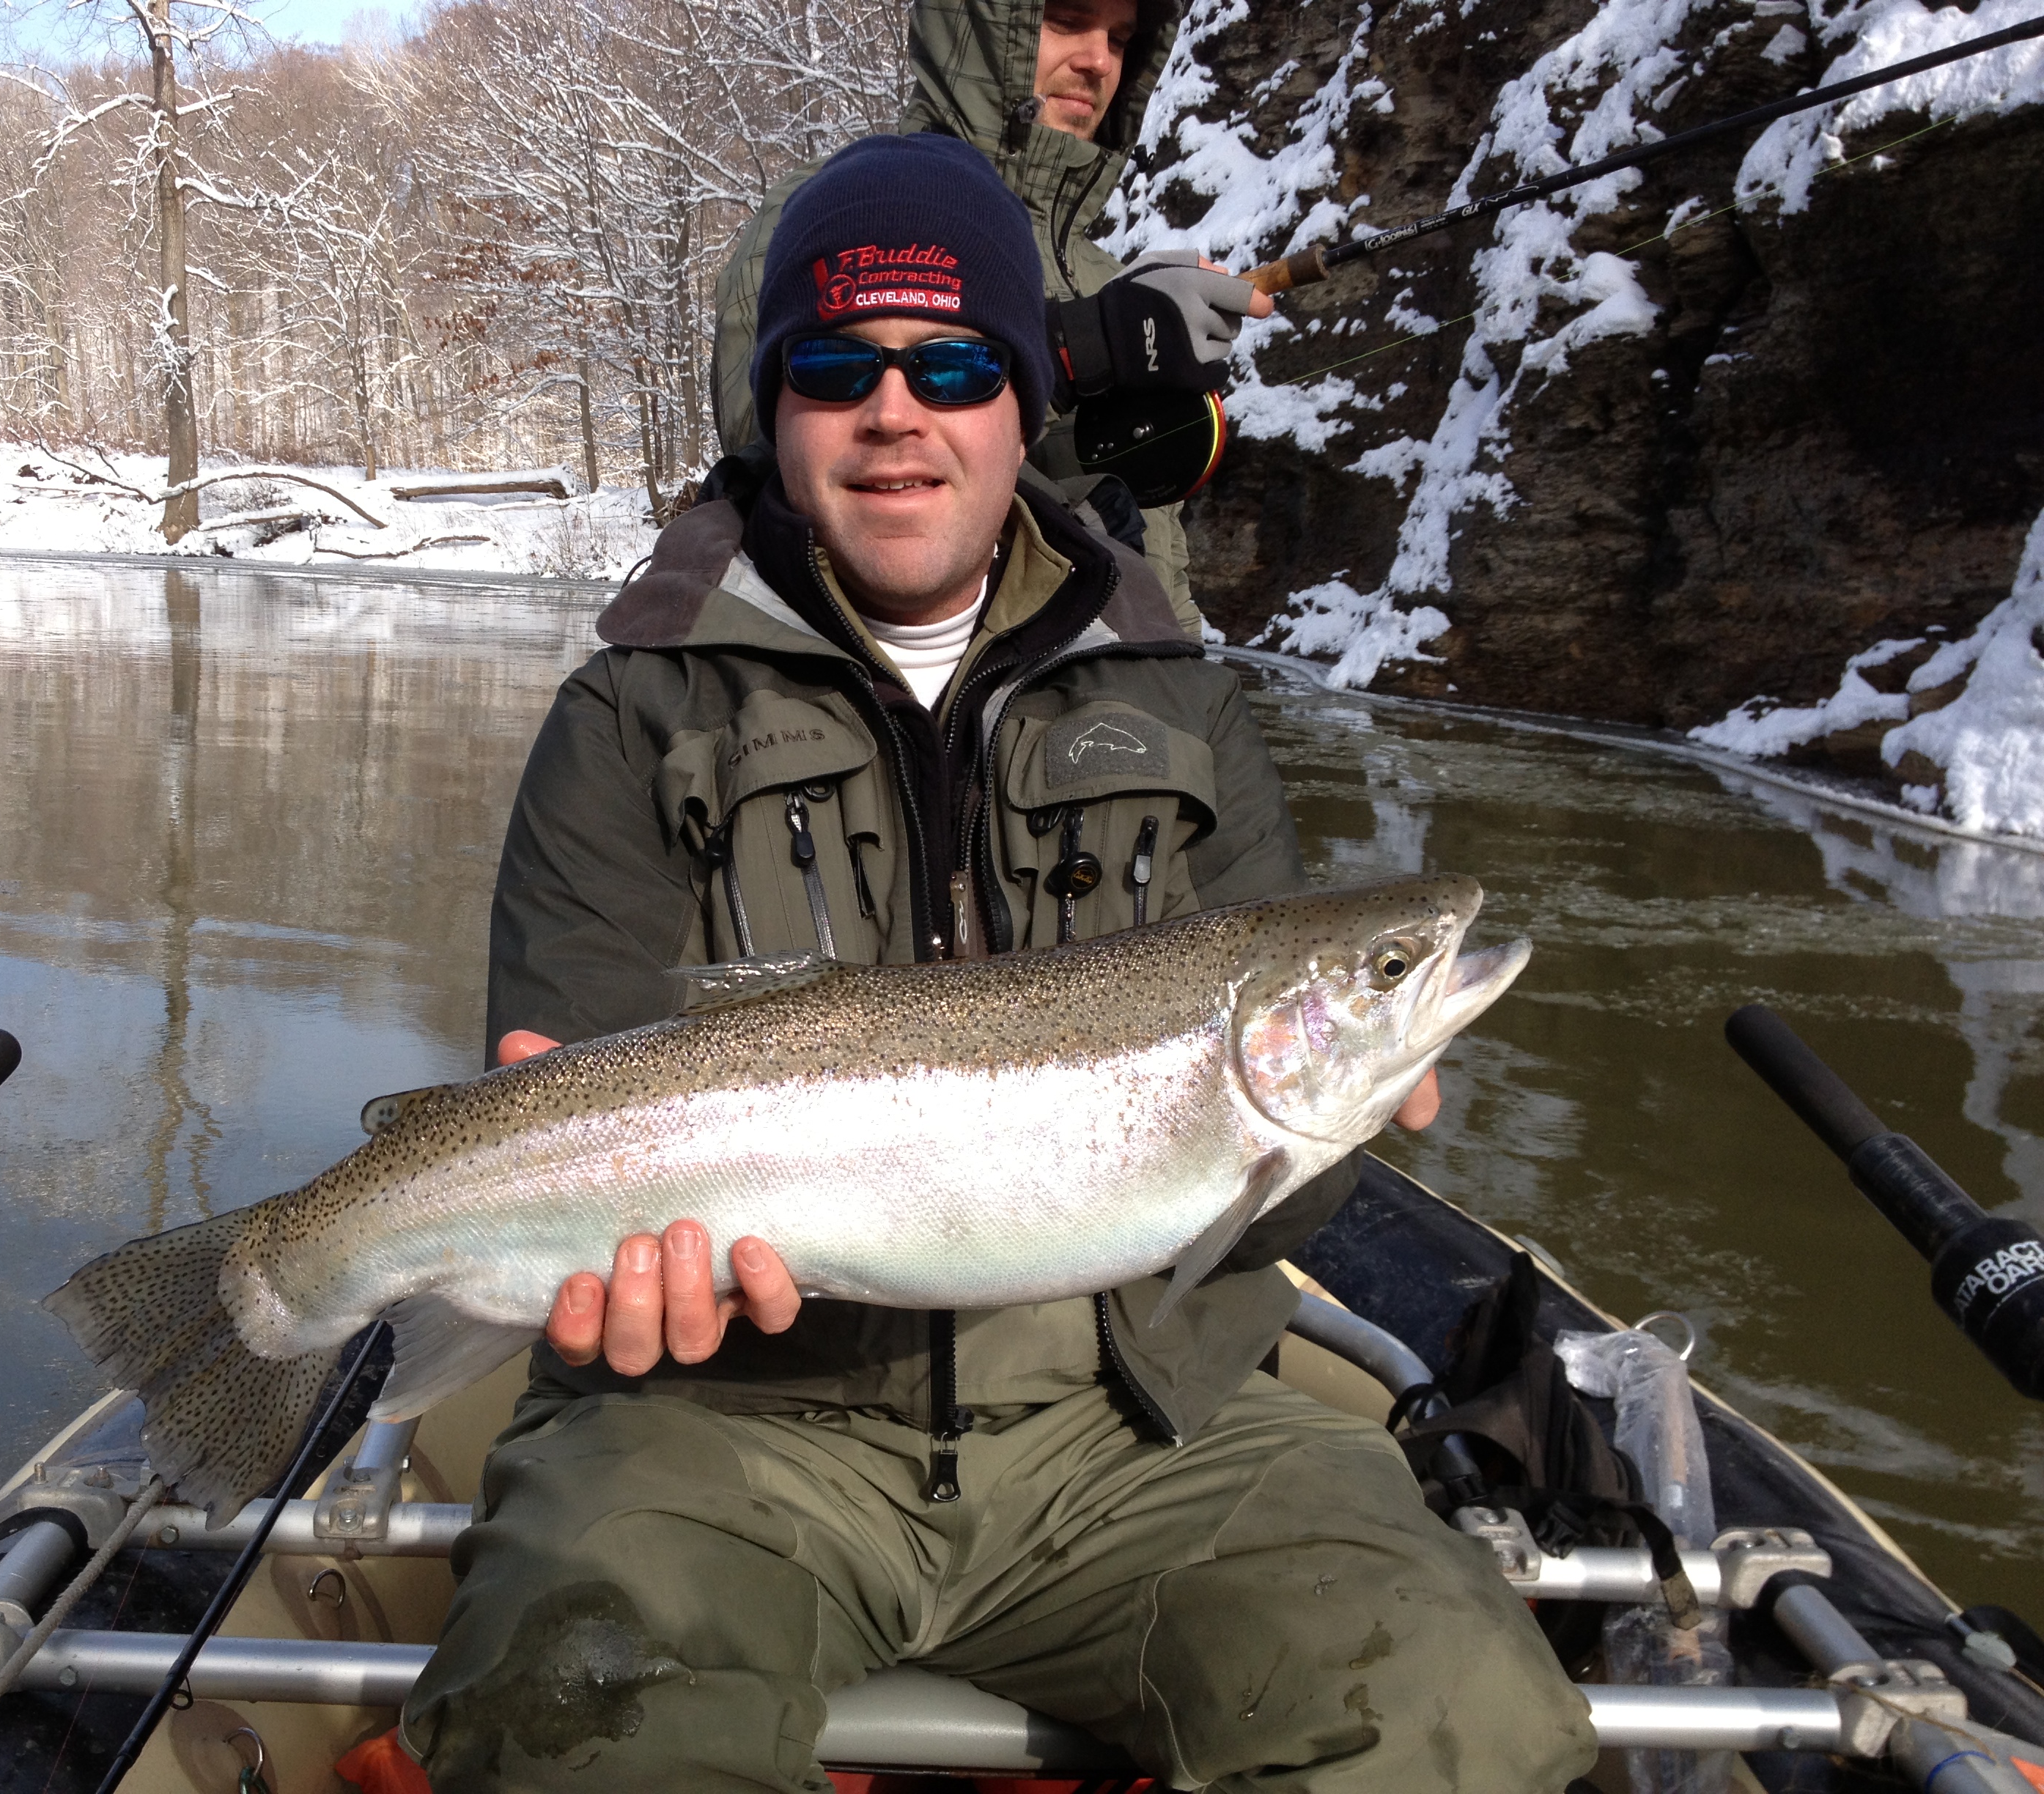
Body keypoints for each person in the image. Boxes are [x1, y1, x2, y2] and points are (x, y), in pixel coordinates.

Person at [399, 134, 1594, 1791]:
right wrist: (611, 1300)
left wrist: (1333, 1134)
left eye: (954, 362)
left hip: (1137, 1428)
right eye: (838, 366)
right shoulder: (632, 709)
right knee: (580, 1720)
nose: (898, 410)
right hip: (718, 1432)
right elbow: (563, 1080)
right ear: (780, 408)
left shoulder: (1185, 706)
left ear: (1023, 400)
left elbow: (1251, 1219)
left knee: (1458, 1705)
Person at [710, 0, 1274, 624]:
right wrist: (1072, 352)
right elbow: (768, 449)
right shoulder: (835, 214)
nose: (1097, 62)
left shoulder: (1106, 276)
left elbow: (1161, 560)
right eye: (1065, 21)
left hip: (1128, 686)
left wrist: (1185, 671)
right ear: (978, 28)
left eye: (1119, 40)